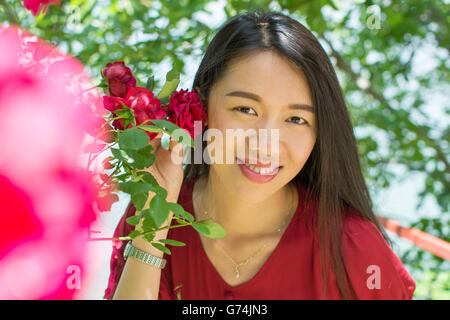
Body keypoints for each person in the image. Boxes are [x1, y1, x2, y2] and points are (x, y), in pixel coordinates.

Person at [105, 9, 416, 300]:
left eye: (296, 119)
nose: (266, 144)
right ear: (201, 107)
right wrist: (154, 224)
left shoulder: (353, 248)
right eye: (246, 109)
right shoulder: (152, 214)